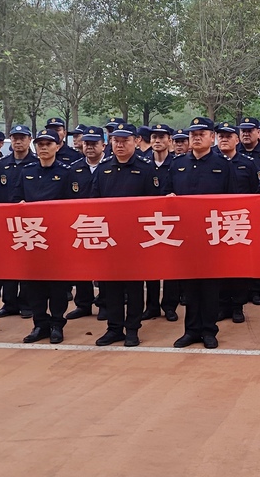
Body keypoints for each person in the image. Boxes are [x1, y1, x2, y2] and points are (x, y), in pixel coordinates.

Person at [89, 121, 161, 347]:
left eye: (125, 141)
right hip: (109, 238)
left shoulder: (146, 168)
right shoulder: (104, 168)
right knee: (111, 286)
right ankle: (114, 327)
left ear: (136, 142)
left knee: (134, 286)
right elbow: (94, 201)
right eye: (116, 141)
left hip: (136, 239)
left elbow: (154, 203)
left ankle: (132, 329)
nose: (120, 145)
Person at [169, 117, 235, 350]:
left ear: (212, 137)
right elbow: (168, 197)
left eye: (202, 133)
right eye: (193, 133)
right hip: (186, 235)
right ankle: (191, 330)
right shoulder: (177, 165)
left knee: (209, 286)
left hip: (212, 234)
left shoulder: (223, 165)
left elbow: (231, 200)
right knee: (189, 287)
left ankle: (209, 330)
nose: (196, 137)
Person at [16, 129, 80, 344]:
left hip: (57, 237)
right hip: (32, 236)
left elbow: (74, 204)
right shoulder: (26, 171)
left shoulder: (66, 172)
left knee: (57, 285)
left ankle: (56, 324)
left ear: (57, 146)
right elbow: (15, 199)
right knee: (34, 284)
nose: (43, 147)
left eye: (48, 144)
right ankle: (39, 324)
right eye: (40, 144)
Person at [216, 121, 260, 323]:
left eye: (229, 136)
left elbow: (255, 191)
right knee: (220, 267)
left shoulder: (247, 164)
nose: (225, 139)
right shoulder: (212, 162)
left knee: (239, 267)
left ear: (236, 139)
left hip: (240, 222)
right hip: (215, 222)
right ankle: (222, 304)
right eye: (221, 136)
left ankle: (237, 306)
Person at [0, 123, 35, 320]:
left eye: (22, 138)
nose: (18, 141)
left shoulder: (35, 164)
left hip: (28, 222)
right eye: (15, 137)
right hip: (4, 220)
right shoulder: (1, 165)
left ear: (29, 140)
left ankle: (27, 303)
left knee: (27, 264)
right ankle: (9, 303)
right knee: (8, 263)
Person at [64, 126, 106, 321]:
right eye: (86, 144)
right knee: (82, 265)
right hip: (81, 223)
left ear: (103, 145)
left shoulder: (110, 166)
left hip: (105, 223)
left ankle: (105, 303)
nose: (89, 147)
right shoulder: (74, 168)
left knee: (104, 266)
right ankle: (83, 304)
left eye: (94, 144)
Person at [143, 122, 177, 321]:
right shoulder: (143, 163)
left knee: (171, 264)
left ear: (169, 141)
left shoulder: (177, 164)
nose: (157, 141)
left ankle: (170, 305)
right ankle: (152, 305)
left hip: (171, 220)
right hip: (148, 220)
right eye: (154, 137)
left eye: (162, 137)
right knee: (151, 265)